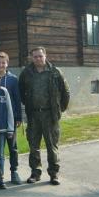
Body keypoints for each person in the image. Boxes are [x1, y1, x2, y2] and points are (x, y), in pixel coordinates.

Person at [19, 46, 70, 185]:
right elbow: (21, 91)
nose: (38, 59)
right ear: (31, 57)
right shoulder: (26, 73)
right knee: (33, 145)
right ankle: (35, 173)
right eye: (35, 56)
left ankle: (54, 174)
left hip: (50, 114)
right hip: (34, 115)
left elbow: (66, 93)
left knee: (51, 146)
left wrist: (60, 110)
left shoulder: (55, 72)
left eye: (40, 56)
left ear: (45, 55)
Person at [0, 51, 23, 185]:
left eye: (3, 62)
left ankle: (14, 171)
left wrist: (18, 117)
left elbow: (17, 99)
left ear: (7, 64)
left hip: (10, 119)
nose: (0, 65)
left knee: (13, 147)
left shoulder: (13, 79)